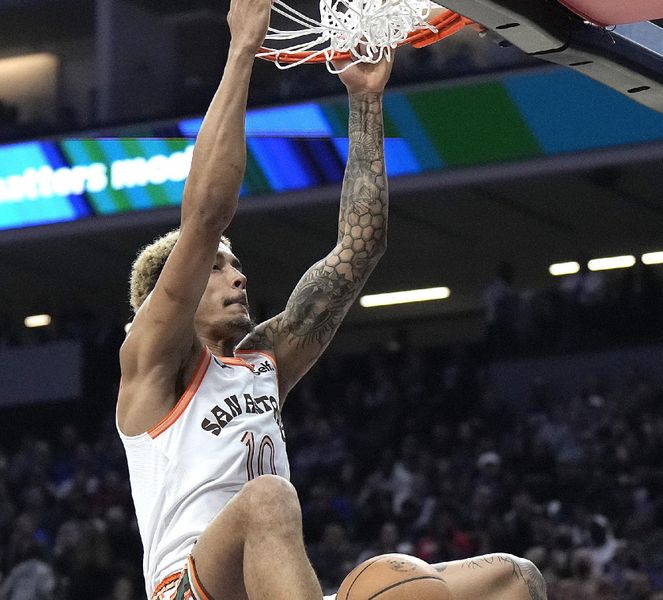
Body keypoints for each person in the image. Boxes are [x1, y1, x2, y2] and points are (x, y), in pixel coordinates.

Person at [117, 0, 546, 598]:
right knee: (267, 496)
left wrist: (366, 101)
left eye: (237, 265)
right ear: (171, 295)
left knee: (511, 578)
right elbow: (207, 214)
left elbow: (358, 249)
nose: (237, 277)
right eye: (217, 268)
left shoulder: (262, 360)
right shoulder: (151, 364)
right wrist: (243, 48)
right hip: (186, 586)